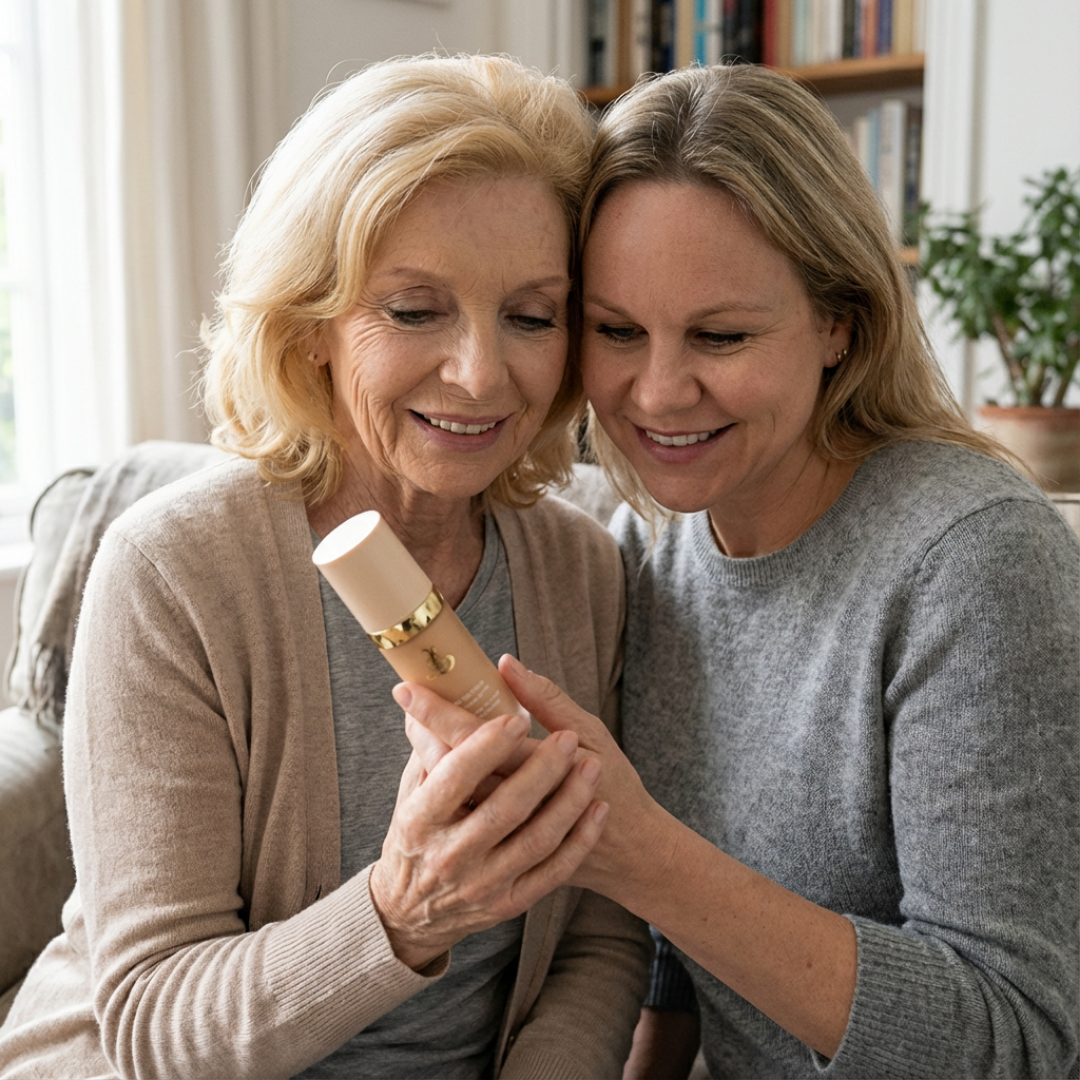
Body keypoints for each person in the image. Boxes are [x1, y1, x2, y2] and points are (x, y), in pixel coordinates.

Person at [397, 64, 1080, 1078]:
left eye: (722, 335)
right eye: (617, 331)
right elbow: (681, 958)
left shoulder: (971, 560)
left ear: (838, 322)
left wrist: (641, 855)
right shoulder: (653, 558)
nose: (660, 391)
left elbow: (1015, 1039)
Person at [0, 54, 651, 1080]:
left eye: (530, 314)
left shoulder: (584, 568)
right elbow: (154, 1025)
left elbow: (603, 929)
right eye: (413, 309)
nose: (482, 373)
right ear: (310, 326)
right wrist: (402, 912)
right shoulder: (175, 573)